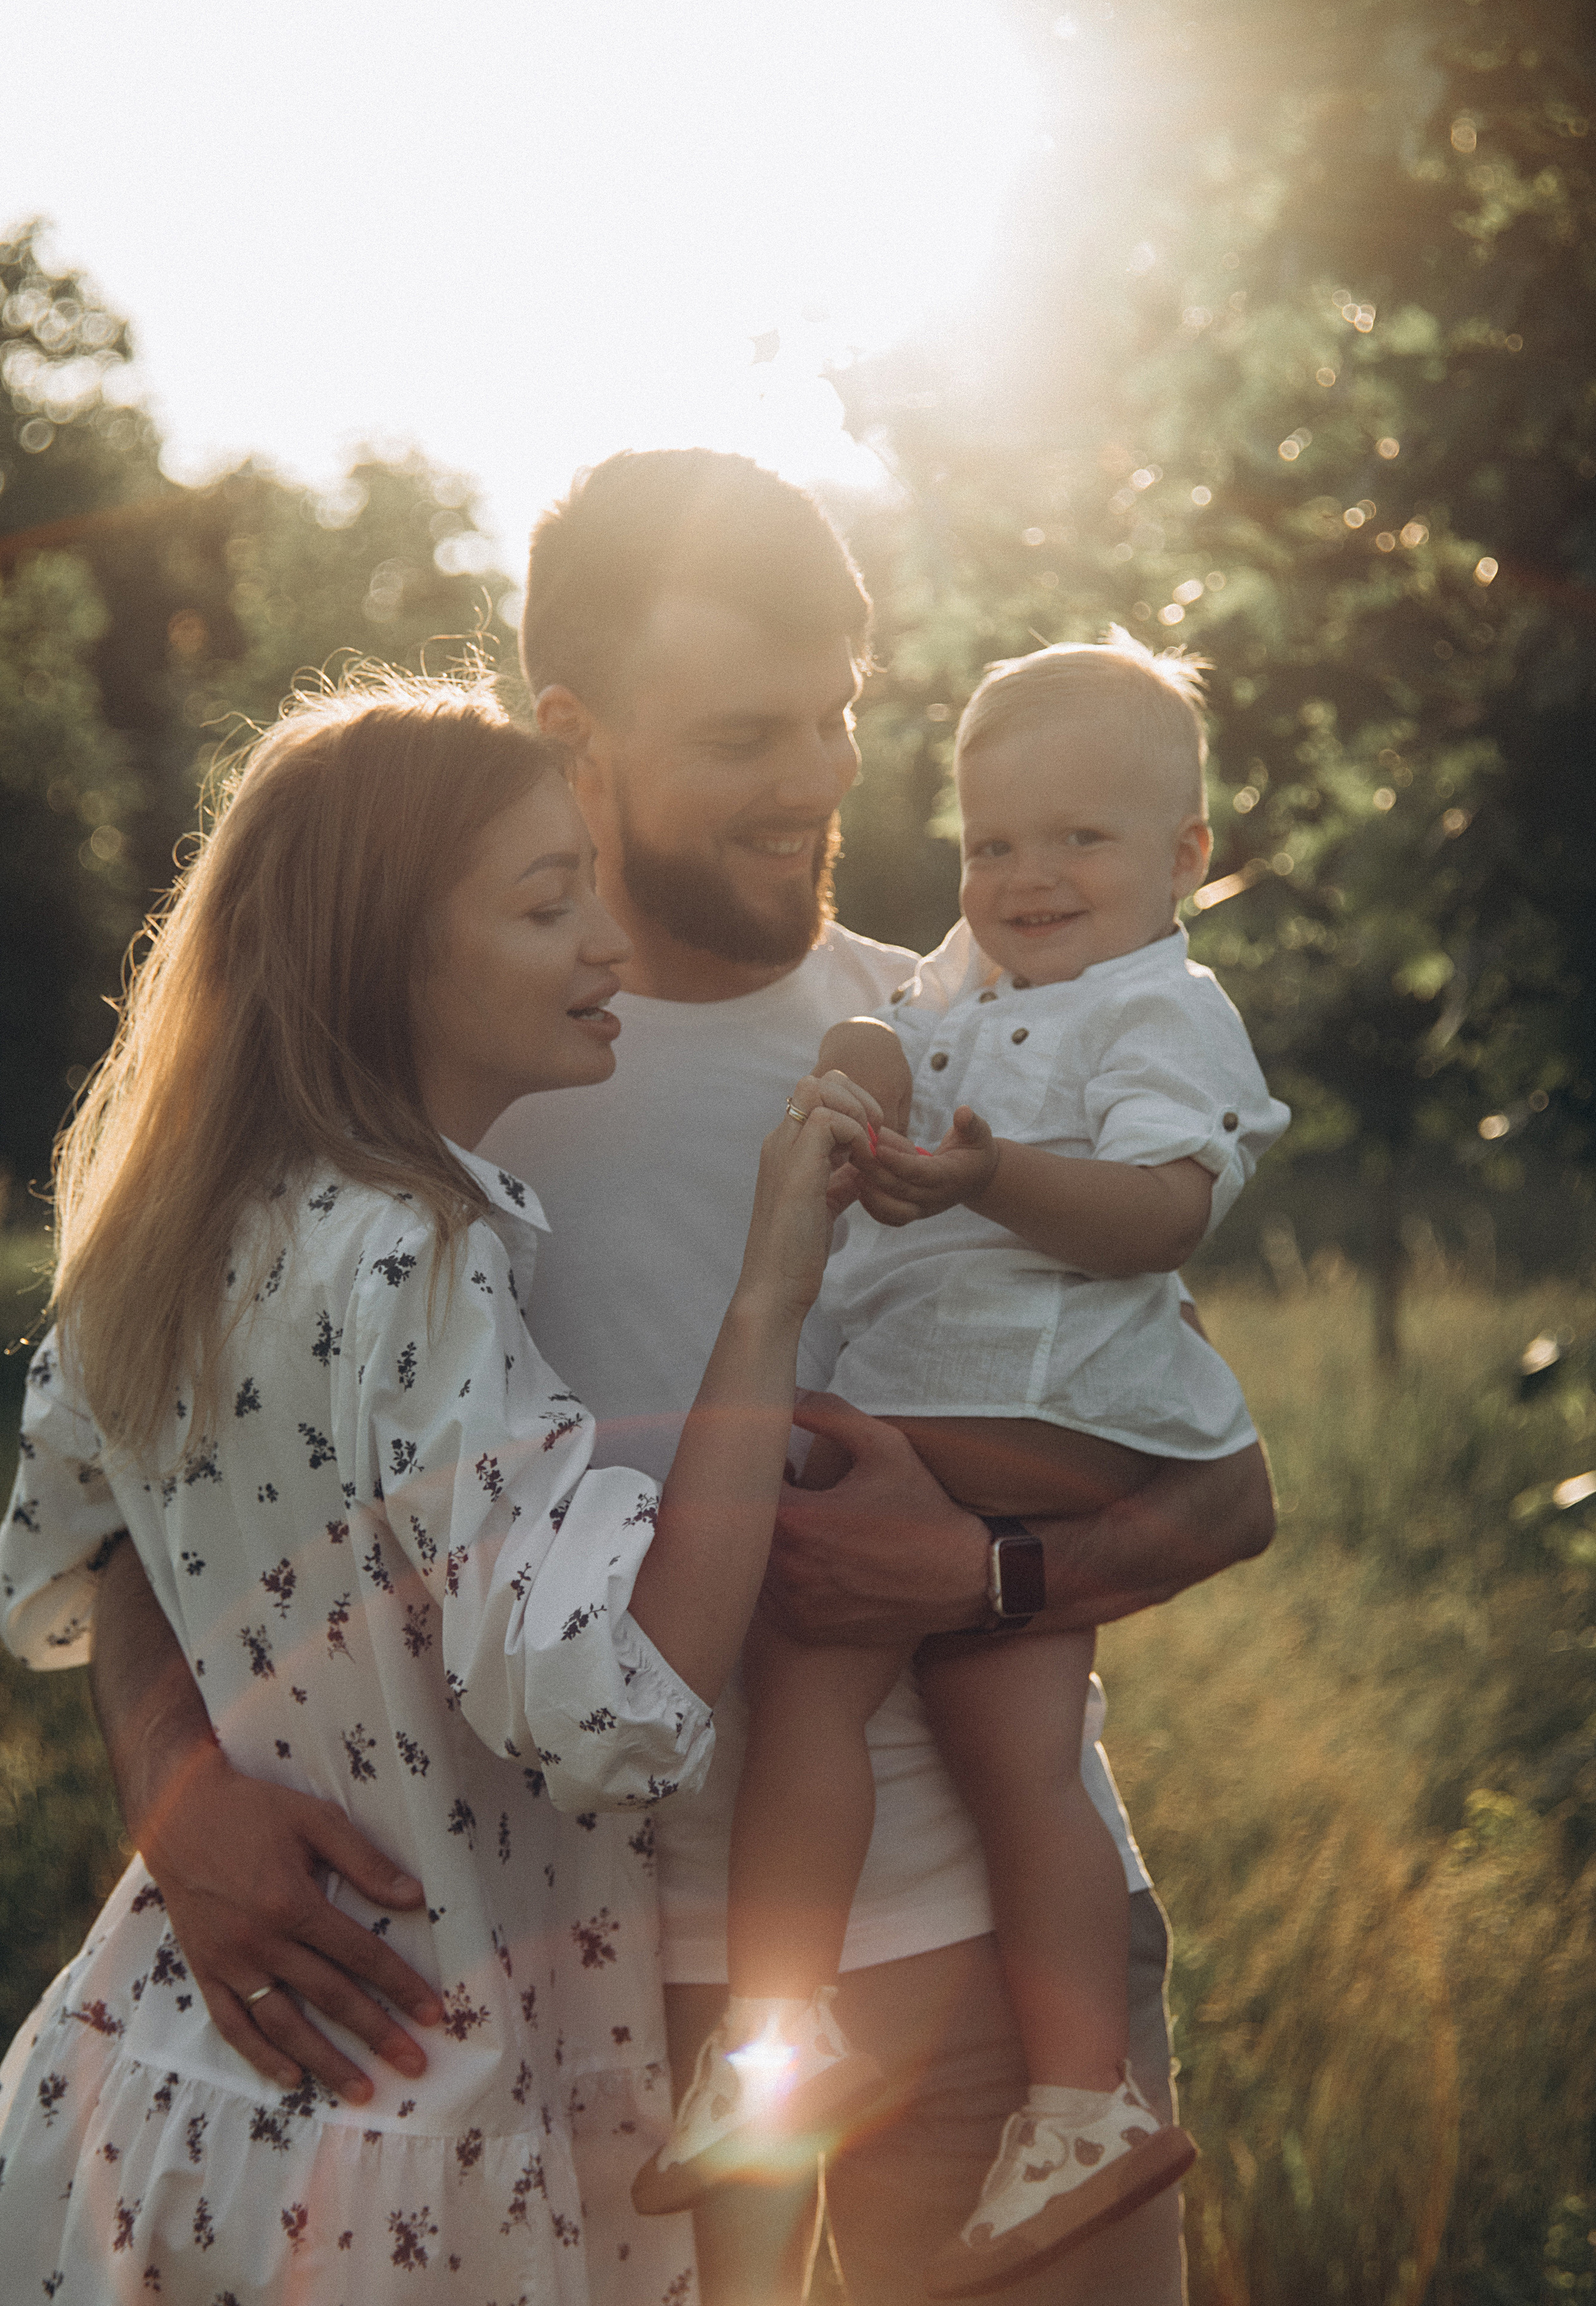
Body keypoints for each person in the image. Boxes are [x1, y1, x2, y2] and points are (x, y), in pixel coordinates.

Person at [81, 452, 1277, 2306]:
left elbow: (1217, 1481)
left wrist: (976, 1579)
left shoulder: (952, 1035)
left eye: (839, 718)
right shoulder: (458, 1077)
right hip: (599, 2010)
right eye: (746, 734)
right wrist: (177, 1789)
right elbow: (132, 1479)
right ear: (577, 731)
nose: (816, 781)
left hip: (989, 1975)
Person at [0, 671, 872, 2304]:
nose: (608, 948)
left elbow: (64, 1540)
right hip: (405, 2132)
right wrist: (768, 1291)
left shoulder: (159, 1244)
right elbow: (614, 1702)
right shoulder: (420, 1255)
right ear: (385, 952)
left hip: (149, 2088)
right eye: (550, 906)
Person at [642, 637, 1289, 2295]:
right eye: (996, 841)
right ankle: (1081, 2102)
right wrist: (848, 1086)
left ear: (1186, 857)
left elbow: (1168, 1207)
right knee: (1017, 1740)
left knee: (806, 1650)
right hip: (995, 1396)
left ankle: (782, 2035)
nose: (1026, 876)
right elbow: (890, 1037)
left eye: (1080, 839)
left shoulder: (1161, 1005)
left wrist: (993, 1175)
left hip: (1059, 1396)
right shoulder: (972, 981)